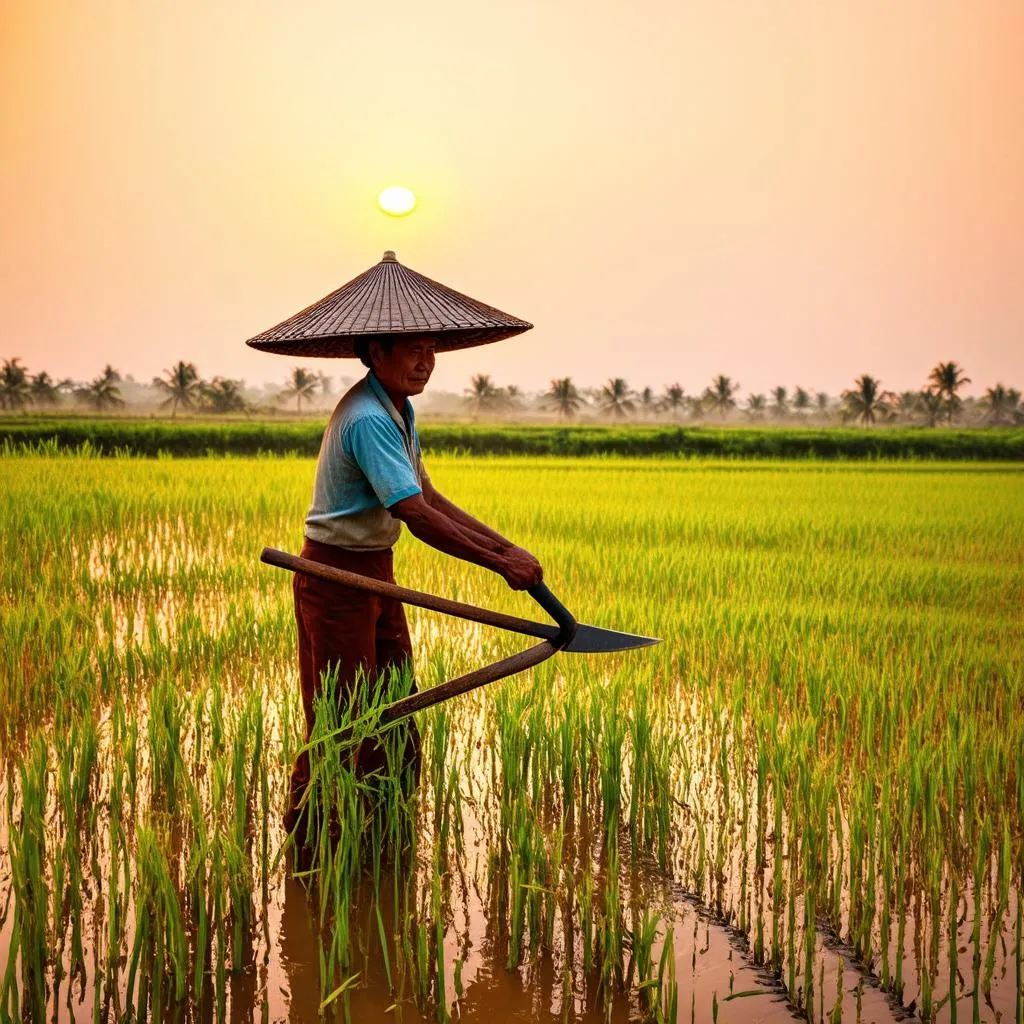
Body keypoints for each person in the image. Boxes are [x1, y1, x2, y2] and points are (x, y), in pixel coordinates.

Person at [284, 335, 543, 834]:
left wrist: (506, 549)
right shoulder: (367, 419)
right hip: (335, 578)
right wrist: (498, 563)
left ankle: (383, 833)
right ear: (376, 353)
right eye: (412, 350)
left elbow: (425, 493)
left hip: (376, 572)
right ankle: (312, 845)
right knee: (341, 724)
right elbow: (413, 514)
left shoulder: (397, 409)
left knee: (395, 706)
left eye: (431, 350)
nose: (426, 362)